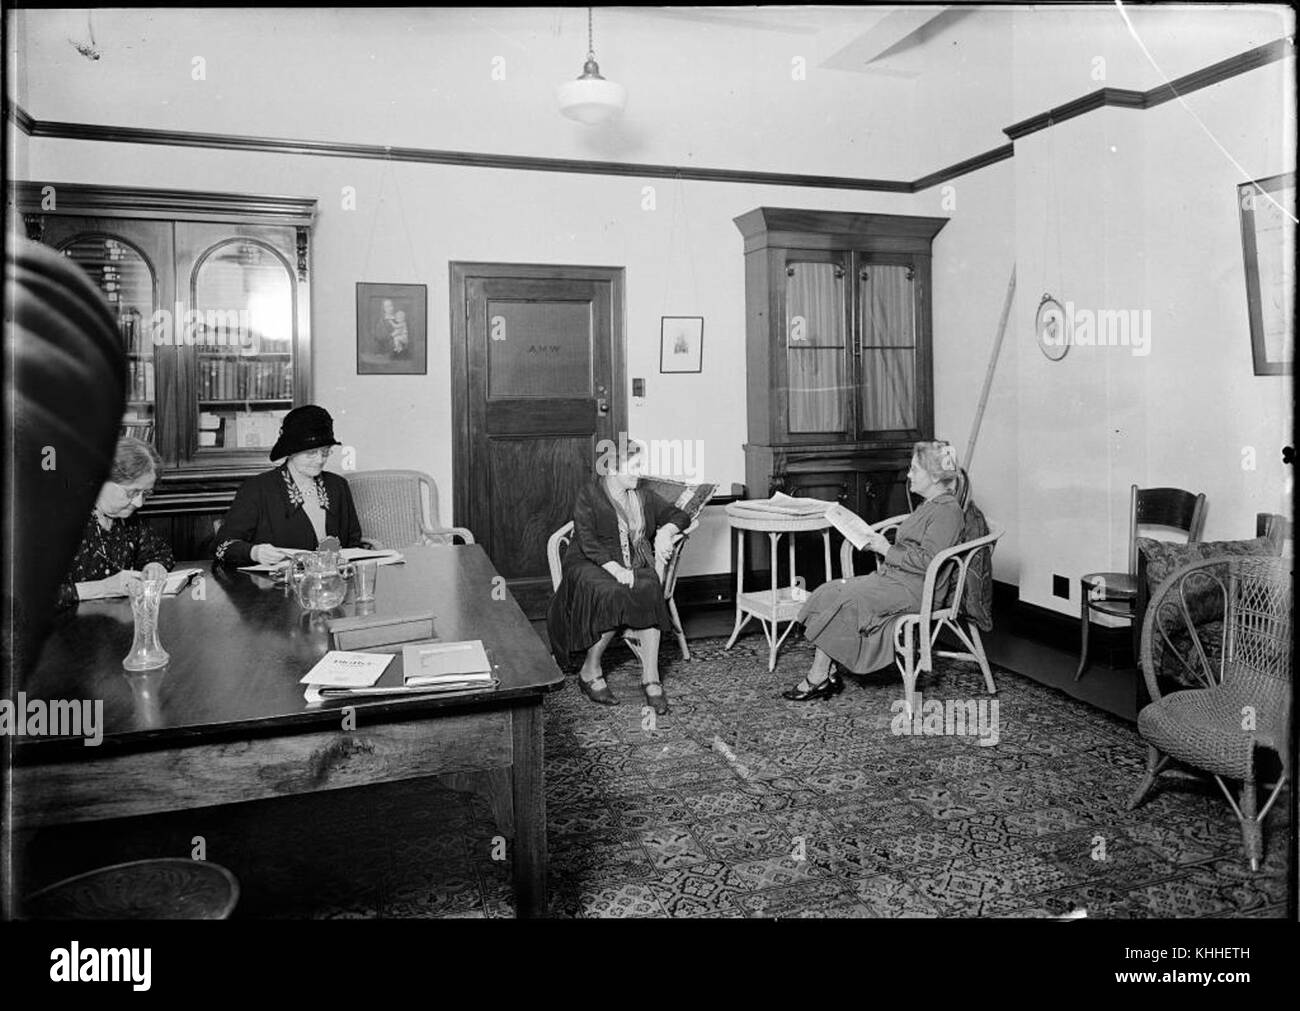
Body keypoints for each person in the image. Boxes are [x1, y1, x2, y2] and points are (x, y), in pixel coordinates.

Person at [782, 440, 966, 701]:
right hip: (895, 579)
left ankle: (819, 675)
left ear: (935, 476)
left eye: (914, 469)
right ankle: (827, 670)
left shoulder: (948, 512)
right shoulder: (930, 504)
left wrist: (885, 549)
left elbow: (929, 561)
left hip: (917, 590)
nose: (908, 474)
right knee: (830, 590)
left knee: (849, 600)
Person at [547, 439, 690, 714]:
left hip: (627, 565)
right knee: (613, 591)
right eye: (634, 466)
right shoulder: (589, 494)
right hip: (588, 564)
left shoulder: (643, 496)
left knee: (648, 586)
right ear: (612, 468)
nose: (640, 472)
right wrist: (617, 571)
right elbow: (588, 542)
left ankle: (651, 678)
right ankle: (590, 670)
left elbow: (678, 515)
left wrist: (665, 531)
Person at [214, 404, 368, 567]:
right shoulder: (257, 489)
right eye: (311, 453)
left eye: (325, 452)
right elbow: (221, 548)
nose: (319, 460)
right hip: (275, 588)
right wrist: (254, 552)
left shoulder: (338, 486)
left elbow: (353, 544)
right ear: (291, 451)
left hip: (331, 585)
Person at [54, 436, 175, 610]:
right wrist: (103, 588)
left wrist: (154, 566)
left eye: (146, 493)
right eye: (132, 492)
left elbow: (158, 551)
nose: (139, 503)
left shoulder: (127, 518)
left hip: (116, 624)